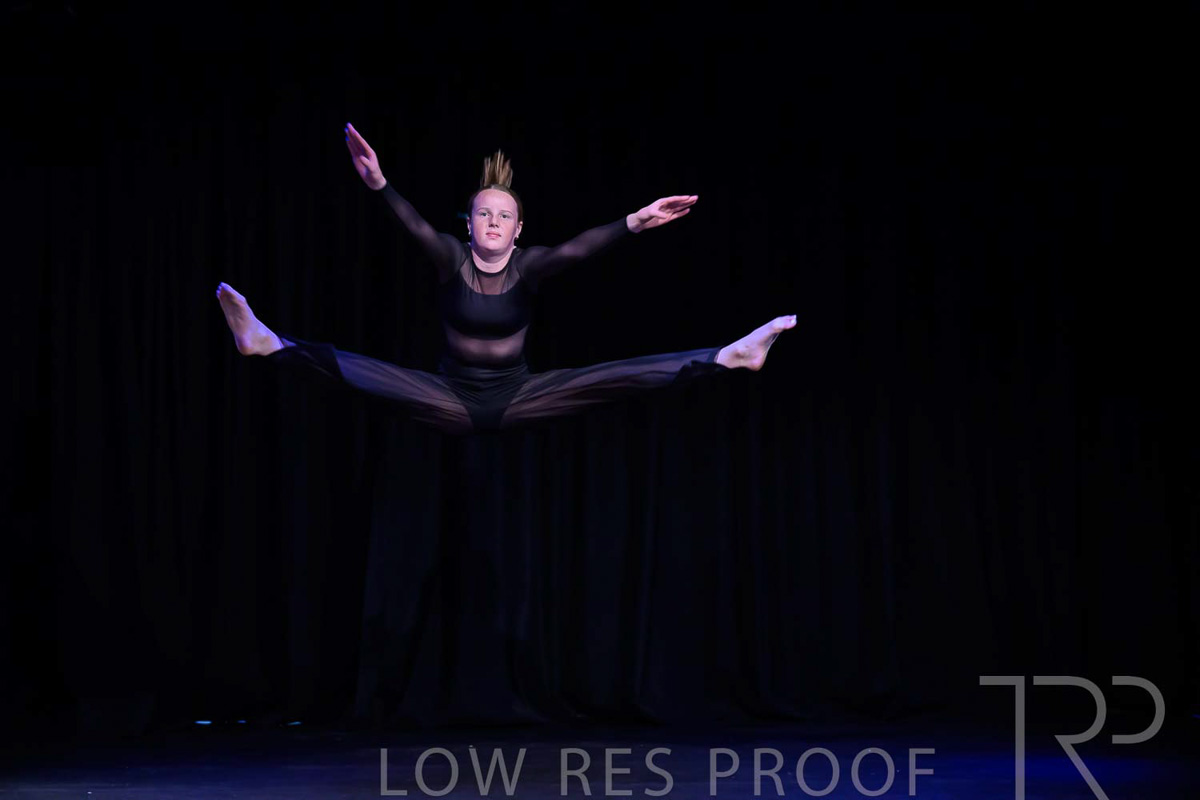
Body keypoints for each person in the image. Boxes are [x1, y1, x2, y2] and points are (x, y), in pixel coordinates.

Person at [215, 123, 795, 434]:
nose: (493, 221)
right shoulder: (450, 258)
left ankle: (730, 357)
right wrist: (379, 184)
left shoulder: (529, 265)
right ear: (468, 226)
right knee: (368, 374)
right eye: (483, 214)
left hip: (520, 397)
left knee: (614, 376)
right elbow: (411, 225)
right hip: (448, 396)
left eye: (504, 216)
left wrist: (637, 221)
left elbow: (580, 248)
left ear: (518, 231)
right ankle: (268, 343)